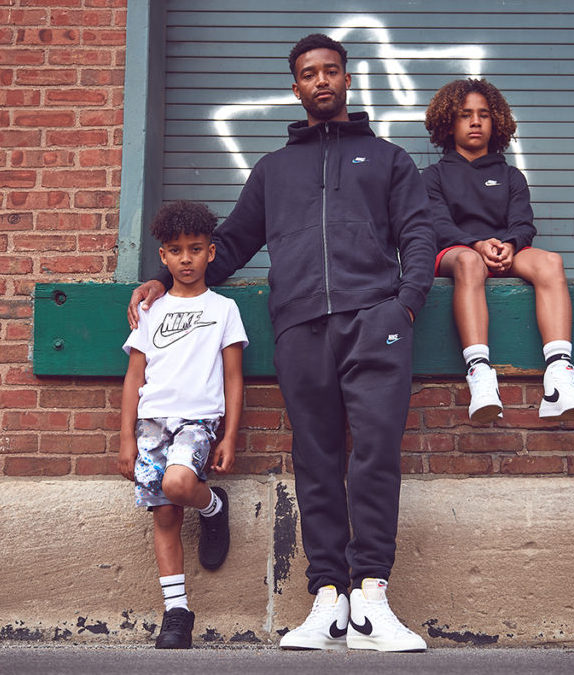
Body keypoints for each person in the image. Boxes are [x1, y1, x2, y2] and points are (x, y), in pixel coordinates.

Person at [127, 34, 434, 652]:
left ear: (347, 80)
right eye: (309, 74)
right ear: (296, 89)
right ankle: (329, 599)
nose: (321, 81)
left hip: (375, 322)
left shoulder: (389, 159)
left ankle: (372, 596)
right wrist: (165, 280)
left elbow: (418, 234)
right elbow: (232, 243)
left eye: (331, 71)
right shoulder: (273, 170)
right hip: (301, 327)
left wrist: (403, 305)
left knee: (375, 455)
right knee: (316, 460)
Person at [423, 78, 574, 424]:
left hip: (504, 250)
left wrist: (509, 245)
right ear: (449, 123)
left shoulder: (511, 176)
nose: (475, 122)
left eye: (484, 115)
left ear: (496, 122)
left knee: (550, 261)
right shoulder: (433, 176)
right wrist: (475, 244)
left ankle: (559, 382)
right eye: (465, 115)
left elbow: (523, 224)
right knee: (471, 262)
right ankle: (480, 375)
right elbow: (437, 225)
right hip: (456, 253)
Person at [119, 200, 248, 649]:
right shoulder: (150, 310)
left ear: (211, 252)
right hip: (151, 423)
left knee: (178, 485)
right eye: (176, 250)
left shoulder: (224, 308)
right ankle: (176, 613)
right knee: (165, 513)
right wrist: (126, 439)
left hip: (198, 419)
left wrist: (229, 435)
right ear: (163, 256)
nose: (186, 259)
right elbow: (134, 377)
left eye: (195, 249)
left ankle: (212, 507)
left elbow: (233, 377)